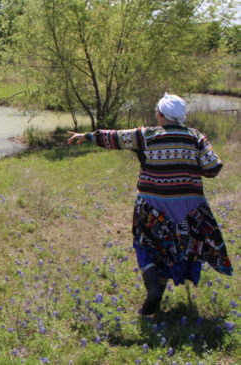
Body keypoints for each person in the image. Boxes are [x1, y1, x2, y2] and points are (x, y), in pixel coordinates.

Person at [67, 93, 233, 315]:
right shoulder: (196, 137)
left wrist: (87, 136)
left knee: (147, 245)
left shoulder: (147, 135)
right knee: (177, 249)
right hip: (188, 209)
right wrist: (189, 169)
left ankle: (154, 290)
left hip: (152, 206)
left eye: (157, 112)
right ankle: (158, 295)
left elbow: (116, 137)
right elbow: (214, 167)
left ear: (162, 114)